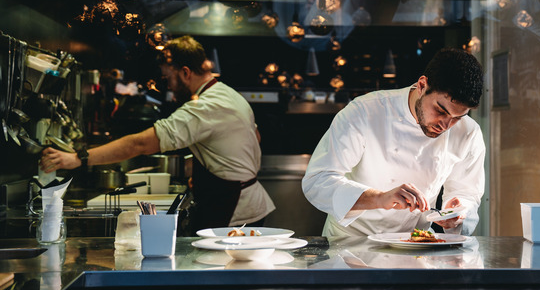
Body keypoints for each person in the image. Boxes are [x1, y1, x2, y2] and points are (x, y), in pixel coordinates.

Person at [40, 35, 274, 234]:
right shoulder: (228, 94)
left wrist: (77, 158)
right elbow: (256, 138)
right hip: (247, 202)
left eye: (167, 78)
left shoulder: (203, 108)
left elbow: (140, 144)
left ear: (184, 72)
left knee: (217, 279)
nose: (168, 86)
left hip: (233, 209)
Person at [302, 47, 485, 237]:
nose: (446, 125)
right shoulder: (365, 112)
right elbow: (318, 180)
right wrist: (379, 198)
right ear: (422, 85)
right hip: (350, 244)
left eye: (458, 117)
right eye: (440, 111)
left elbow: (467, 192)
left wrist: (457, 212)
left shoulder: (468, 132)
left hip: (415, 244)